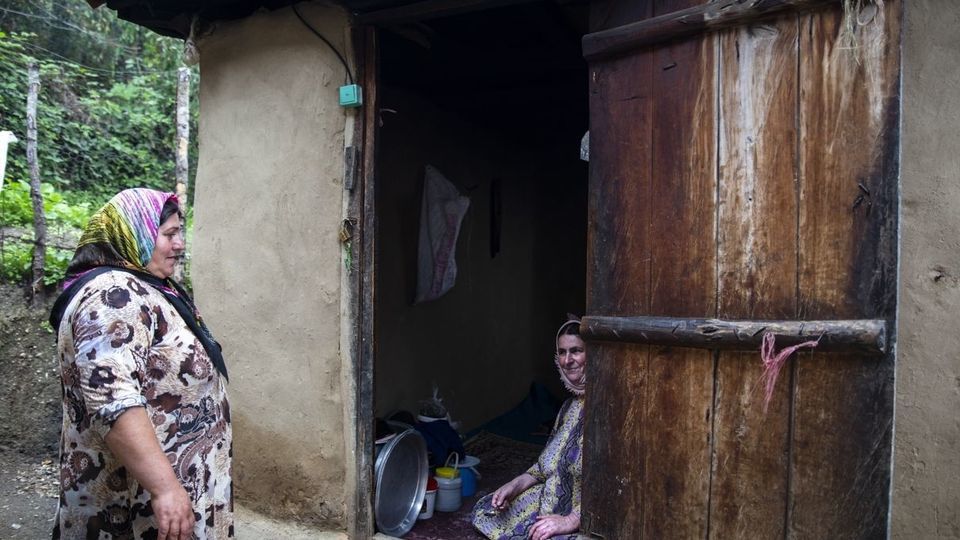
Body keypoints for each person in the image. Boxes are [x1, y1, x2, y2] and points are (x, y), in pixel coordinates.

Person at [49, 189, 232, 539]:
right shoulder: (113, 296)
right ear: (132, 234)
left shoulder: (143, 286)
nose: (179, 244)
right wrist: (164, 489)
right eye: (168, 234)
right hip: (137, 505)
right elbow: (112, 400)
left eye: (180, 232)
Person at [472, 318, 585, 540]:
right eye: (562, 352)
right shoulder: (568, 407)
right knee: (486, 513)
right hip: (549, 499)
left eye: (576, 351)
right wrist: (514, 486)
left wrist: (571, 520)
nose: (568, 360)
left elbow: (617, 487)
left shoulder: (607, 412)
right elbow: (543, 468)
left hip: (585, 514)